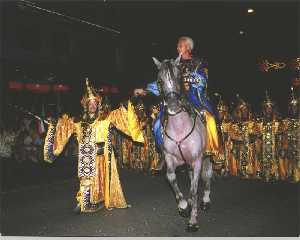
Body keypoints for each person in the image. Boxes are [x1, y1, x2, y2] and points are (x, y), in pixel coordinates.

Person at [44, 79, 144, 213]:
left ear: (98, 105)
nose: (92, 105)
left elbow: (123, 111)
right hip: (87, 155)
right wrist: (55, 123)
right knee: (86, 178)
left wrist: (134, 96)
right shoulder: (78, 121)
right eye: (90, 103)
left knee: (100, 181)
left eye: (95, 103)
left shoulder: (106, 118)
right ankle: (83, 202)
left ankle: (97, 200)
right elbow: (64, 127)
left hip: (104, 155)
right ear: (86, 105)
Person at [134, 36, 219, 162]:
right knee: (157, 123)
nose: (177, 47)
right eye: (177, 45)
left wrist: (188, 78)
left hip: (194, 97)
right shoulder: (173, 64)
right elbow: (163, 82)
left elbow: (203, 80)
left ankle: (213, 151)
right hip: (175, 100)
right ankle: (165, 153)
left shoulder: (199, 63)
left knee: (210, 119)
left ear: (188, 47)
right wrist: (145, 91)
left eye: (180, 45)